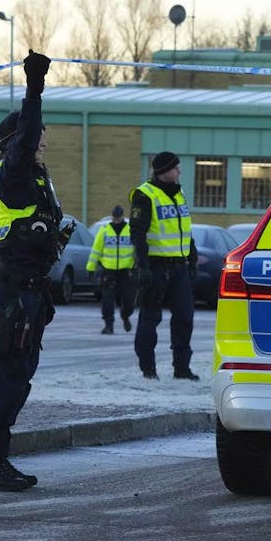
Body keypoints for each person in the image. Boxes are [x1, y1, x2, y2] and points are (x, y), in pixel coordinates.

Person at [0, 50, 71, 491]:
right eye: (36, 137)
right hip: (10, 292)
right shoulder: (10, 174)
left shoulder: (32, 177)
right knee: (7, 381)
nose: (43, 141)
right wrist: (35, 86)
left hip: (29, 293)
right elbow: (28, 134)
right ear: (17, 142)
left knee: (18, 380)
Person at [130, 151, 200, 381]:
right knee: (150, 318)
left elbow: (185, 231)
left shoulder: (179, 194)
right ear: (163, 171)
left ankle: (182, 368)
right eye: (176, 167)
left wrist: (192, 258)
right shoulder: (145, 195)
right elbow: (137, 233)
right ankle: (148, 368)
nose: (180, 171)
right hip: (156, 267)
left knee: (184, 318)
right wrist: (142, 266)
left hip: (179, 267)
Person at [87, 204, 135, 334]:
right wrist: (90, 268)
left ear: (122, 217)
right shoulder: (104, 230)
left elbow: (137, 250)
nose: (116, 221)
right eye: (114, 218)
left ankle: (125, 316)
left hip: (126, 271)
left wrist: (138, 267)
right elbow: (96, 250)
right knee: (107, 300)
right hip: (109, 270)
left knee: (129, 300)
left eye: (118, 218)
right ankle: (109, 325)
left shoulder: (130, 230)